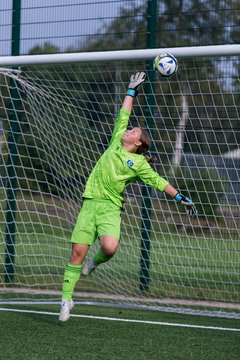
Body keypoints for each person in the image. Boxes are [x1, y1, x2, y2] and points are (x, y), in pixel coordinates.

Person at [59, 72, 197, 322]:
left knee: (109, 249)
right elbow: (124, 114)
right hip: (90, 204)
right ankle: (66, 299)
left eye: (134, 131)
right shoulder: (115, 141)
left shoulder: (139, 164)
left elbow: (158, 181)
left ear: (138, 143)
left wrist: (180, 197)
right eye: (131, 128)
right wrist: (131, 89)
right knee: (76, 254)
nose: (129, 129)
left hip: (111, 209)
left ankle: (95, 264)